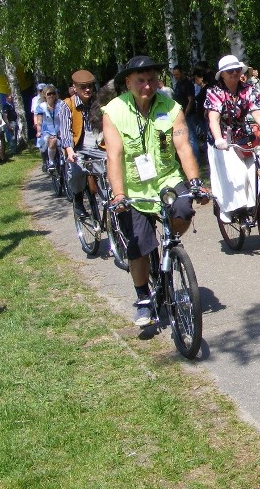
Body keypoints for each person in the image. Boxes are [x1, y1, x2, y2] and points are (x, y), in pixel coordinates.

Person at [102, 55, 209, 327]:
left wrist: (195, 181)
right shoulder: (115, 111)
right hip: (133, 187)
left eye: (151, 80)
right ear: (128, 82)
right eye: (140, 81)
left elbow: (184, 148)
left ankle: (168, 245)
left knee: (184, 210)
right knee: (138, 245)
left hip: (166, 179)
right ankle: (143, 299)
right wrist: (118, 195)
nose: (147, 86)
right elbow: (113, 156)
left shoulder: (171, 108)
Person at [204, 55, 260, 223]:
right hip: (223, 140)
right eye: (230, 71)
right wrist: (218, 139)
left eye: (237, 70)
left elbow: (258, 113)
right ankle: (228, 208)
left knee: (258, 173)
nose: (235, 73)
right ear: (222, 74)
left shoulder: (248, 89)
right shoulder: (215, 93)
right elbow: (214, 119)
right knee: (236, 175)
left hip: (243, 136)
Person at [58, 69, 103, 217]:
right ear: (75, 87)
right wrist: (70, 150)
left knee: (110, 167)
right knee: (76, 171)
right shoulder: (67, 105)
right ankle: (77, 198)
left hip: (97, 145)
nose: (87, 89)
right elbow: (65, 132)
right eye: (83, 87)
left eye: (90, 86)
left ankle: (110, 206)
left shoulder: (97, 103)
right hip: (78, 147)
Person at [171, 65, 200, 160]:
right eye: (174, 75)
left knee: (192, 138)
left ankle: (196, 160)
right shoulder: (178, 84)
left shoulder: (187, 84)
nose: (176, 76)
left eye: (177, 74)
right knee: (185, 138)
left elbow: (190, 100)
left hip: (188, 114)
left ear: (182, 73)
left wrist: (186, 113)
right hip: (180, 114)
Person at [35, 85, 62, 171]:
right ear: (44, 95)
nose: (51, 96)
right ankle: (51, 162)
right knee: (52, 141)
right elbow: (39, 121)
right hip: (47, 130)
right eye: (49, 94)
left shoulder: (61, 104)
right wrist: (38, 131)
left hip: (59, 129)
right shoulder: (41, 107)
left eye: (53, 93)